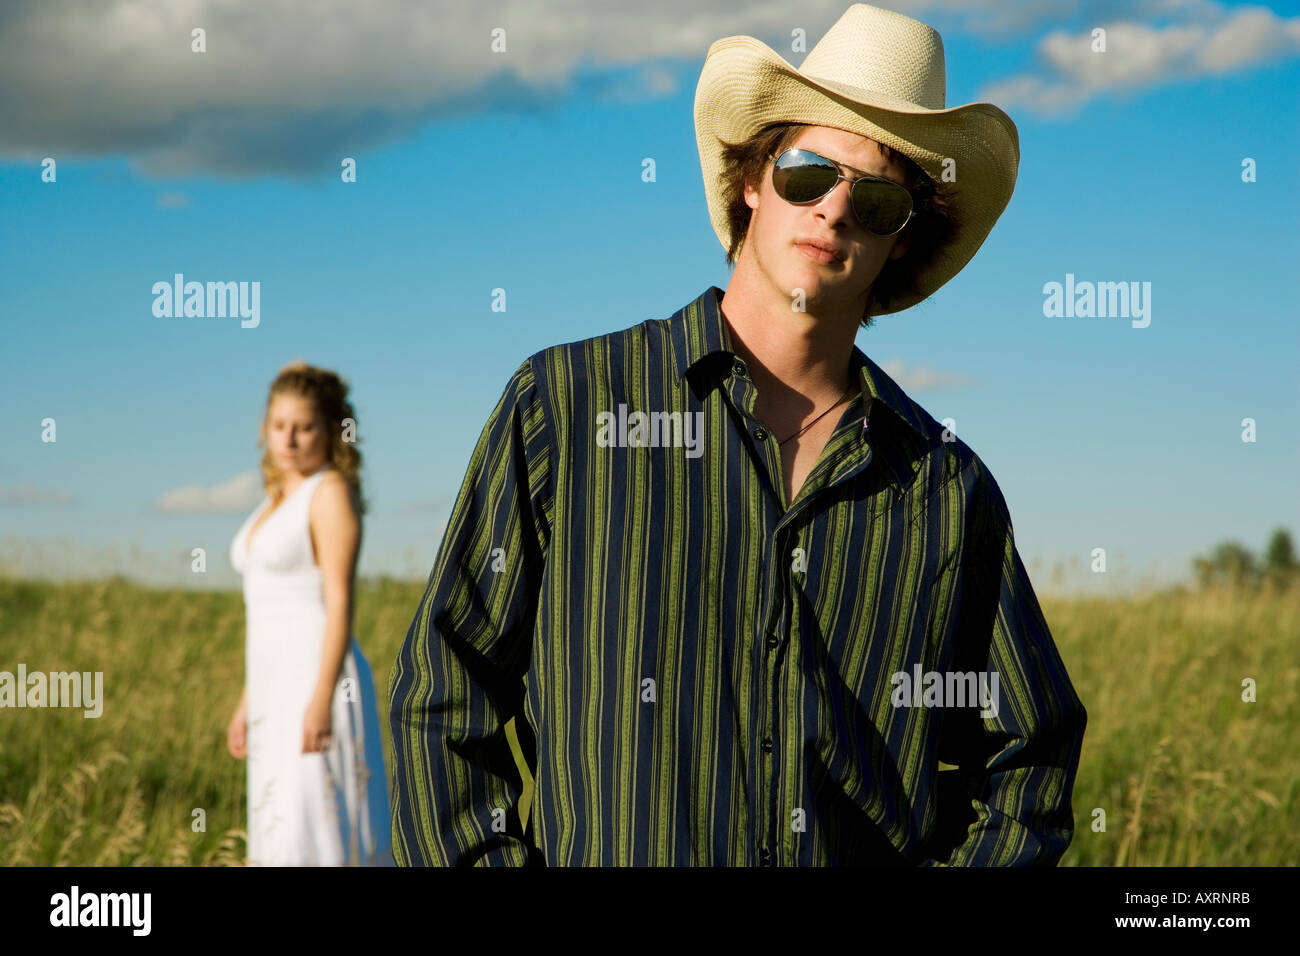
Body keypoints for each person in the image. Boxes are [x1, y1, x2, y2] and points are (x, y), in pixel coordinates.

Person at [388, 3, 1086, 866]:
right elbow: (443, 693)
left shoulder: (946, 490)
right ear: (753, 179)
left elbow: (1031, 756)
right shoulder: (566, 406)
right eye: (806, 172)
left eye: (875, 198)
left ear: (903, 239)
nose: (833, 210)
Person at [228, 360, 393, 866]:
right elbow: (267, 619)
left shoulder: (330, 492)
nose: (290, 440)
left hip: (318, 683)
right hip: (272, 691)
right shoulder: (275, 499)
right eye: (280, 426)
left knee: (317, 831)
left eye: (305, 426)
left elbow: (338, 601)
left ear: (330, 430)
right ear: (265, 429)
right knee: (278, 827)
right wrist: (246, 700)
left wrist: (321, 698)